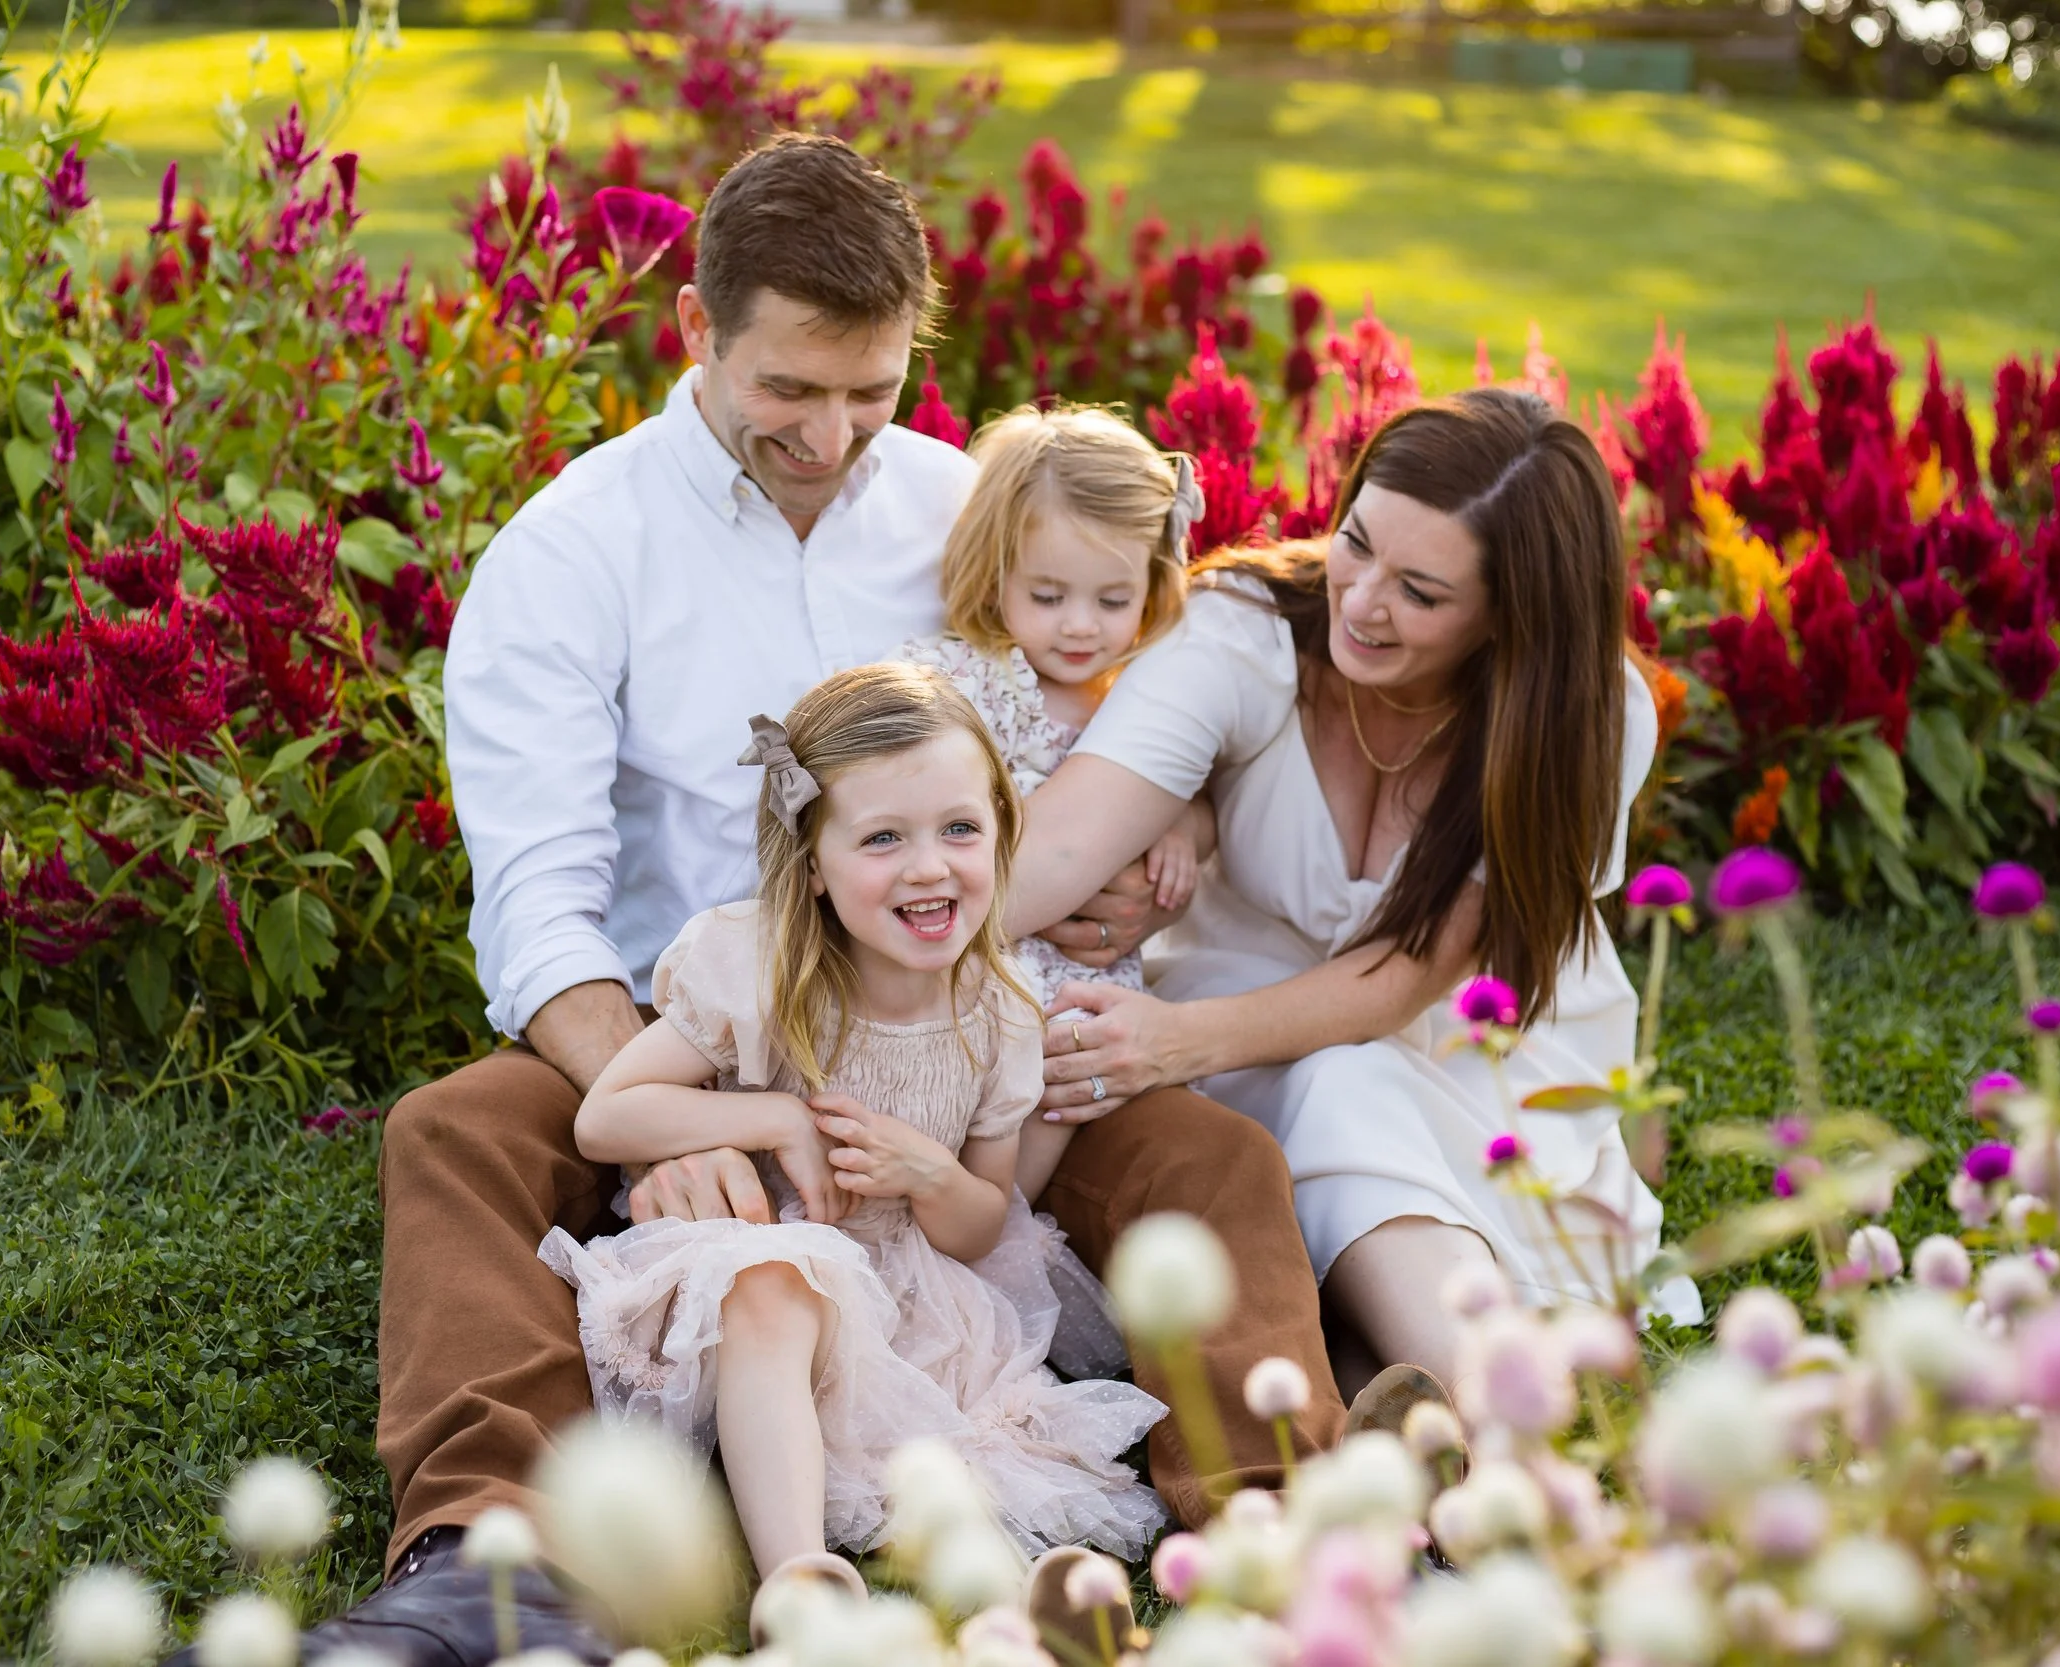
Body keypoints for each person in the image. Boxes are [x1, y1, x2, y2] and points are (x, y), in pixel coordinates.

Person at [281, 134, 1344, 1667]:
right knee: (450, 1134)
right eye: (792, 389)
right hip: (679, 1020)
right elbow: (543, 913)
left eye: (875, 388)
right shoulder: (575, 551)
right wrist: (700, 1116)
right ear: (699, 334)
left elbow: (1113, 681)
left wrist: (1133, 832)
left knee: (1212, 1155)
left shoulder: (961, 508)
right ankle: (486, 1558)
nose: (836, 431)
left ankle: (1291, 1528)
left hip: (953, 1014)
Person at [1008, 387, 1703, 1424]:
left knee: (1345, 1086)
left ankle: (1463, 1404)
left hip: (1477, 1040)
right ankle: (1478, 1408)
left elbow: (1414, 973)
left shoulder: (1588, 714)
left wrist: (1168, 1042)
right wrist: (831, 929)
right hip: (1241, 1005)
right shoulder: (1240, 633)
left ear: (1513, 615)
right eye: (1355, 541)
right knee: (1328, 1095)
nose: (1362, 600)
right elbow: (1059, 844)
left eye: (1420, 591)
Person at [544, 666, 1170, 1633]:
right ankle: (795, 1581)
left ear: (1003, 832)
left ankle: (1013, 1606)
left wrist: (930, 1173)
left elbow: (980, 1227)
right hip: (751, 1266)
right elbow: (607, 1117)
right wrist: (772, 1121)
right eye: (884, 838)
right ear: (812, 865)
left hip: (911, 1294)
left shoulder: (999, 1015)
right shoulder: (756, 969)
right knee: (776, 1284)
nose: (930, 866)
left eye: (960, 828)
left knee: (953, 1445)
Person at [897, 402, 1212, 1202]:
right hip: (972, 962)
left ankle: (1001, 1228)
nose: (1080, 626)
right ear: (994, 569)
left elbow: (1194, 788)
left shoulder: (1147, 703)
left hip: (1083, 984)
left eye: (1113, 600)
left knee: (1071, 1063)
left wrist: (1183, 822)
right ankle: (944, 1212)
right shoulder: (969, 681)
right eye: (1047, 594)